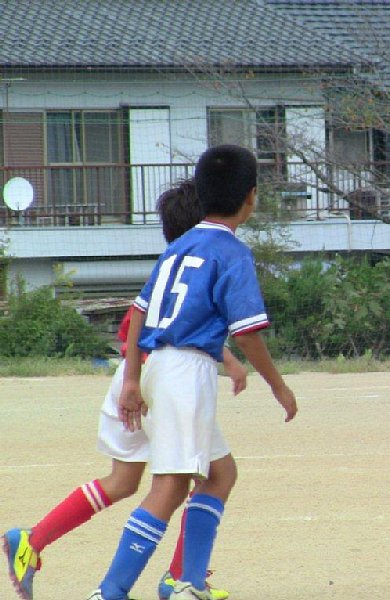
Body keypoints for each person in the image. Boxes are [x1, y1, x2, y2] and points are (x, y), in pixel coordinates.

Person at [2, 180, 237, 600]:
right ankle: (172, 580)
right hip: (159, 383)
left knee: (124, 480)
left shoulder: (172, 267)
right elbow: (160, 331)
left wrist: (225, 360)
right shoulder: (200, 263)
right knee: (208, 476)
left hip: (134, 379)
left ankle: (33, 540)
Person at [85, 144, 298, 600]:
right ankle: (111, 591)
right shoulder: (232, 253)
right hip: (187, 371)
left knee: (221, 474)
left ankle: (190, 585)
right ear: (251, 197)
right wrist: (279, 386)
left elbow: (138, 313)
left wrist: (131, 380)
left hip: (155, 365)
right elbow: (247, 334)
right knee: (170, 485)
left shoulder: (180, 245)